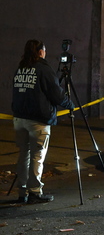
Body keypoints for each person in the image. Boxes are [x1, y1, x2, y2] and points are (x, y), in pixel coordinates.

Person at [12, 39, 75, 204]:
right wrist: (70, 104)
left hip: (19, 118)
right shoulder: (43, 69)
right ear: (41, 52)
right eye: (44, 50)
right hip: (37, 120)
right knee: (37, 156)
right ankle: (34, 192)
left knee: (23, 155)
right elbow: (56, 94)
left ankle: (22, 191)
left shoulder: (21, 68)